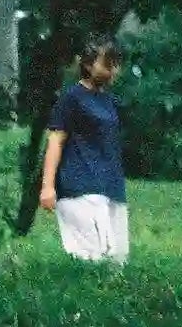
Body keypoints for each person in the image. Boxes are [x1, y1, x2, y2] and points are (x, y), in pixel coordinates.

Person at [38, 36, 129, 260]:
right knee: (92, 258)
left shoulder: (109, 102)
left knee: (117, 259)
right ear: (88, 65)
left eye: (116, 65)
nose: (113, 71)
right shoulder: (72, 98)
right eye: (107, 64)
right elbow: (55, 140)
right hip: (80, 186)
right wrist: (47, 187)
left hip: (111, 187)